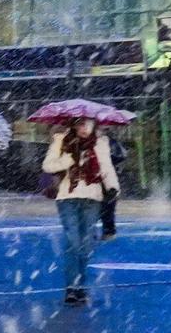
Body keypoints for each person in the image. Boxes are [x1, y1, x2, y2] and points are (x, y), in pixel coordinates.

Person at [43, 118, 119, 305]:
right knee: (73, 241)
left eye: (88, 124)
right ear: (73, 125)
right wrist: (70, 159)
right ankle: (71, 287)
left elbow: (106, 168)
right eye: (80, 124)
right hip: (67, 197)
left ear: (94, 125)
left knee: (85, 244)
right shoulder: (62, 140)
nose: (84, 128)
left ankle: (81, 287)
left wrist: (113, 188)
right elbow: (48, 166)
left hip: (92, 197)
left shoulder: (100, 143)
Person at [100, 132, 128, 239]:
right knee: (108, 207)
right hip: (104, 179)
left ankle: (108, 230)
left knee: (107, 206)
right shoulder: (109, 141)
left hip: (106, 179)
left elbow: (120, 156)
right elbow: (121, 156)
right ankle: (108, 230)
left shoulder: (107, 142)